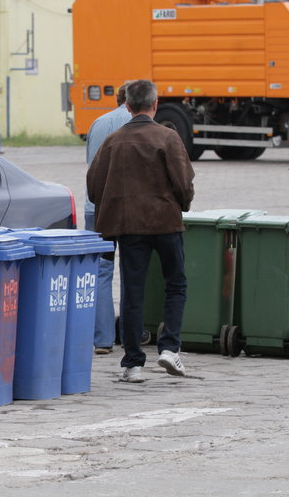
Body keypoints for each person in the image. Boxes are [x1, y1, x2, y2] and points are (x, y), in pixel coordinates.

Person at [87, 79, 195, 383]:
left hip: (128, 226)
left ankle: (133, 364)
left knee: (132, 291)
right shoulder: (168, 137)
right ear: (155, 104)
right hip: (165, 222)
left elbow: (94, 186)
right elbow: (183, 182)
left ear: (128, 105)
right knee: (176, 283)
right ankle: (169, 347)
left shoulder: (113, 141)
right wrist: (182, 204)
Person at [84, 84, 131, 355]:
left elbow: (90, 163)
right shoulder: (142, 125)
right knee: (131, 270)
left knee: (101, 271)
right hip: (130, 209)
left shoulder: (98, 123)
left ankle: (102, 339)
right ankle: (128, 334)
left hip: (96, 208)